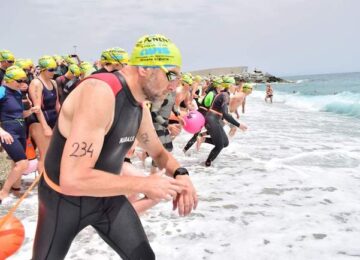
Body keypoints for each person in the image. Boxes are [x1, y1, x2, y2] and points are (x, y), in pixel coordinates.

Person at [32, 34, 198, 260]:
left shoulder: (139, 106)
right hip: (62, 201)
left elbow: (159, 153)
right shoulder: (99, 93)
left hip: (106, 197)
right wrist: (144, 184)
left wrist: (181, 174)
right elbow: (73, 179)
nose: (175, 86)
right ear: (144, 69)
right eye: (171, 75)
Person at [0, 66, 39, 203]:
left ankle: (15, 190)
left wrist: (31, 112)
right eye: (19, 80)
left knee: (16, 163)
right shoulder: (2, 91)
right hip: (8, 131)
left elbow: (19, 114)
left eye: (24, 79)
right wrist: (1, 131)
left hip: (21, 129)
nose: (23, 82)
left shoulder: (17, 93)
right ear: (9, 79)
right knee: (23, 163)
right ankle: (3, 191)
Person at [200, 76, 247, 167]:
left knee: (225, 143)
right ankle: (206, 165)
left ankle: (203, 138)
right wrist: (238, 124)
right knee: (219, 146)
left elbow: (224, 113)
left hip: (214, 120)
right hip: (212, 119)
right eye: (234, 84)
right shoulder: (225, 95)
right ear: (229, 85)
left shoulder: (224, 94)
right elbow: (225, 114)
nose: (236, 87)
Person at [27, 55, 61, 174]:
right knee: (45, 153)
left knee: (54, 152)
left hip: (52, 118)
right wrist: (45, 127)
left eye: (55, 69)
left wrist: (61, 122)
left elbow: (57, 105)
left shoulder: (53, 82)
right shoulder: (36, 83)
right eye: (51, 69)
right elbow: (37, 108)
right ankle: (42, 183)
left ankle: (49, 179)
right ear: (42, 69)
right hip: (38, 121)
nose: (54, 72)